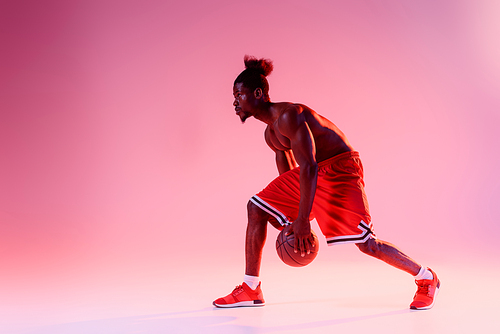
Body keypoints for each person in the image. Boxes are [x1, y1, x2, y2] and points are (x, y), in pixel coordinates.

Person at [213, 56, 440, 310]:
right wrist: (292, 218)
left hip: (340, 169)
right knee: (256, 207)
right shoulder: (271, 134)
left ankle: (426, 278)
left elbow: (309, 167)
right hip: (312, 172)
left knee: (368, 244)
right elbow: (291, 173)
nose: (235, 102)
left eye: (239, 95)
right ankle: (250, 287)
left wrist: (302, 221)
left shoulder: (289, 116)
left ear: (258, 93)